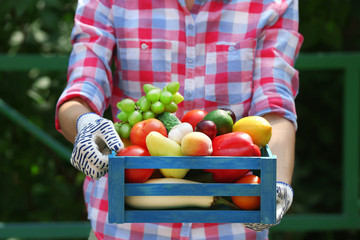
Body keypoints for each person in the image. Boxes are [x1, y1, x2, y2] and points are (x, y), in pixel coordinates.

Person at [56, 0, 303, 239]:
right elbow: (84, 84)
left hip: (232, 227)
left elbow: (275, 105)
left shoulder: (274, 2)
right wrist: (85, 124)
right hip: (123, 229)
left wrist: (277, 186)